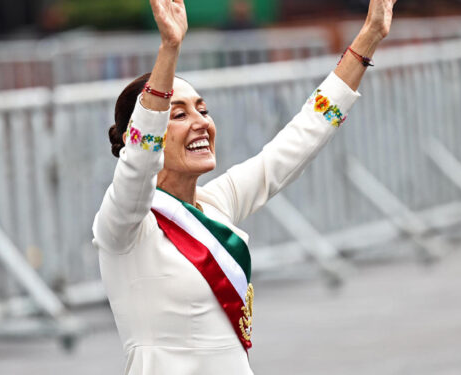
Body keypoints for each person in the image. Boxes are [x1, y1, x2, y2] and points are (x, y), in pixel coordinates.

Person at [92, 0, 397, 373]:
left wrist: (370, 36)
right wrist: (169, 49)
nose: (201, 122)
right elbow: (139, 161)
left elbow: (304, 134)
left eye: (203, 110)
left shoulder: (216, 203)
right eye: (180, 114)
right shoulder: (122, 227)